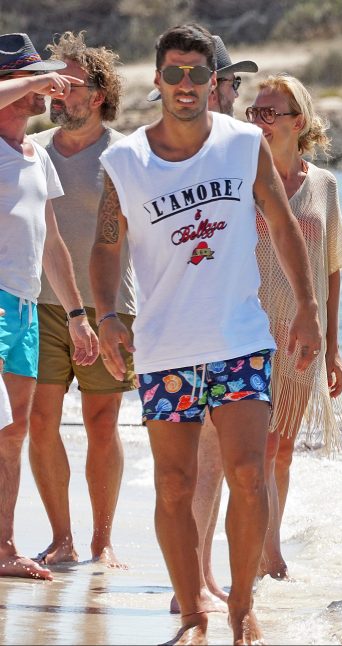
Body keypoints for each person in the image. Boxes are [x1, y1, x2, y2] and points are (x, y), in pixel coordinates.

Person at [89, 24, 321, 643]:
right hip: (164, 347)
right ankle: (193, 608)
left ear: (213, 81)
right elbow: (107, 248)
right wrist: (107, 316)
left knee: (249, 474)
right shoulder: (124, 160)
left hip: (240, 340)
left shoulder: (244, 144)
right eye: (174, 73)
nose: (186, 85)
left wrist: (308, 307)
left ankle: (243, 604)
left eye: (198, 74)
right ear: (157, 80)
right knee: (174, 484)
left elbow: (282, 221)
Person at [152, 32, 260, 615]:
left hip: (225, 328)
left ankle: (202, 576)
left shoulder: (230, 147)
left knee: (218, 462)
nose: (235, 92)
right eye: (231, 81)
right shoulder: (180, 150)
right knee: (192, 466)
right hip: (186, 331)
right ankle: (187, 585)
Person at [26, 31, 132, 569]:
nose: (59, 94)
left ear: (97, 92)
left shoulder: (128, 154)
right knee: (41, 421)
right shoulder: (30, 151)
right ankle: (61, 537)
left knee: (102, 422)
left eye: (70, 84)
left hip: (108, 306)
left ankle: (103, 540)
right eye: (54, 83)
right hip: (39, 304)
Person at [247, 73, 342, 579]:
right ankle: (265, 552)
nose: (261, 120)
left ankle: (268, 544)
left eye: (272, 112)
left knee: (282, 449)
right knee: (257, 447)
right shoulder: (242, 179)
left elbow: (331, 269)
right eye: (256, 111)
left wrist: (334, 348)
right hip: (246, 331)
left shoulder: (324, 185)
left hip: (301, 338)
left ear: (299, 121)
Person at [0, 32, 99, 581]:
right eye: (38, 77)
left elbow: (52, 244)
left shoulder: (37, 154)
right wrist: (35, 78)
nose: (51, 88)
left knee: (14, 429)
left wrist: (79, 316)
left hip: (24, 308)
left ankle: (4, 546)